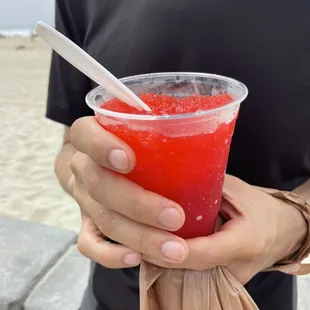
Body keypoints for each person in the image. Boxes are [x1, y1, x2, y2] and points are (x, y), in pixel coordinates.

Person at [47, 1, 310, 309]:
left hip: (261, 296)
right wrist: (87, 185)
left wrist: (296, 221)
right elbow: (70, 151)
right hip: (111, 292)